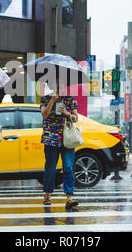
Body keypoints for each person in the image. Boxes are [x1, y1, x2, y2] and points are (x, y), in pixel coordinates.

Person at [40, 77, 79, 209]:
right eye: (56, 83)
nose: (58, 85)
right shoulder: (45, 99)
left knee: (68, 166)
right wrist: (52, 100)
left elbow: (75, 118)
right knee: (50, 168)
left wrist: (67, 113)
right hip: (51, 138)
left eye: (61, 83)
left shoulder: (70, 99)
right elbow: (44, 115)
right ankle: (47, 195)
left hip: (67, 139)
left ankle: (69, 197)